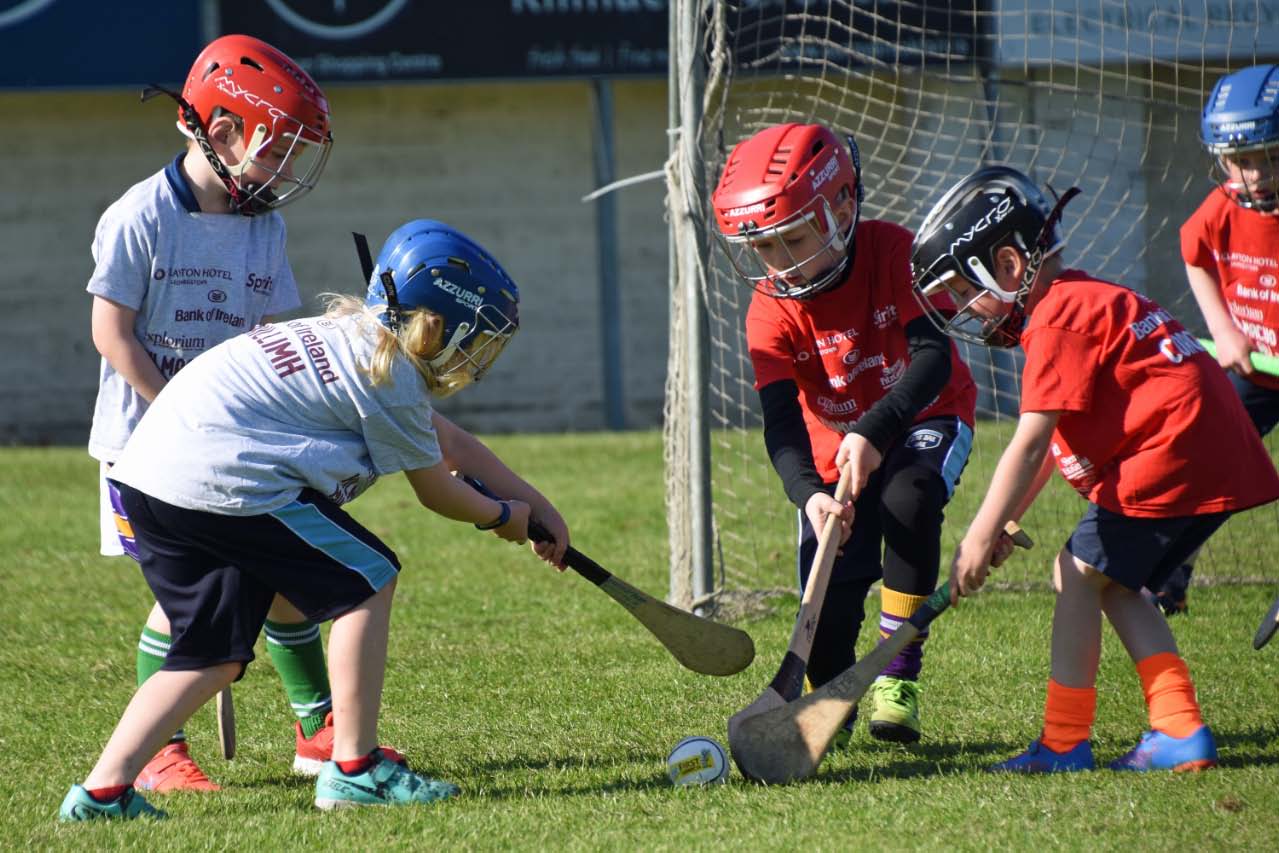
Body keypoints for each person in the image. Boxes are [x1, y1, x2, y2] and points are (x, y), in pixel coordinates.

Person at [60, 219, 570, 821]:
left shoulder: (351, 335)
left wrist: (538, 505)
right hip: (222, 482)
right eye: (475, 335)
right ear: (440, 323)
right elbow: (438, 491)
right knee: (369, 576)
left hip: (152, 481)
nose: (476, 353)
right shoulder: (392, 374)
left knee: (211, 656)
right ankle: (354, 768)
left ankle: (100, 793)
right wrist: (502, 516)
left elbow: (452, 445)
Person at [911, 165, 1279, 772]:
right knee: (1111, 582)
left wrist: (978, 535)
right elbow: (1052, 445)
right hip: (1210, 446)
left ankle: (1064, 742)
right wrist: (1009, 519)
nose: (965, 310)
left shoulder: (1054, 319)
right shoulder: (1078, 298)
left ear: (1007, 267)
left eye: (963, 290)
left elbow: (1029, 444)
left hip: (1178, 448)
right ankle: (1179, 730)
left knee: (1077, 573)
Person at [85, 34, 363, 791]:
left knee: (278, 580)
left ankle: (316, 727)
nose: (287, 172)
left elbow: (271, 335)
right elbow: (109, 332)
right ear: (222, 131)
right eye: (277, 152)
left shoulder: (262, 224)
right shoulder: (140, 216)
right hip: (146, 450)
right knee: (195, 598)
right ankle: (160, 752)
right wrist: (182, 411)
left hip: (232, 445)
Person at [710, 123, 979, 744]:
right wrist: (810, 494)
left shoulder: (893, 252)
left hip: (925, 417)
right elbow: (780, 427)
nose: (779, 263)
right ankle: (835, 697)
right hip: (836, 452)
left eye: (793, 240)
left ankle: (897, 676)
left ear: (843, 206)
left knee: (907, 498)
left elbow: (932, 358)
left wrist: (876, 429)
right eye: (764, 250)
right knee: (827, 622)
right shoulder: (768, 310)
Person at [1153, 63, 1279, 615]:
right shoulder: (1222, 207)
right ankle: (1164, 574)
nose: (1256, 175)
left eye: (1270, 156)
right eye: (1241, 161)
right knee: (1207, 468)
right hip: (1254, 369)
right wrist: (1225, 333)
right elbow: (1194, 256)